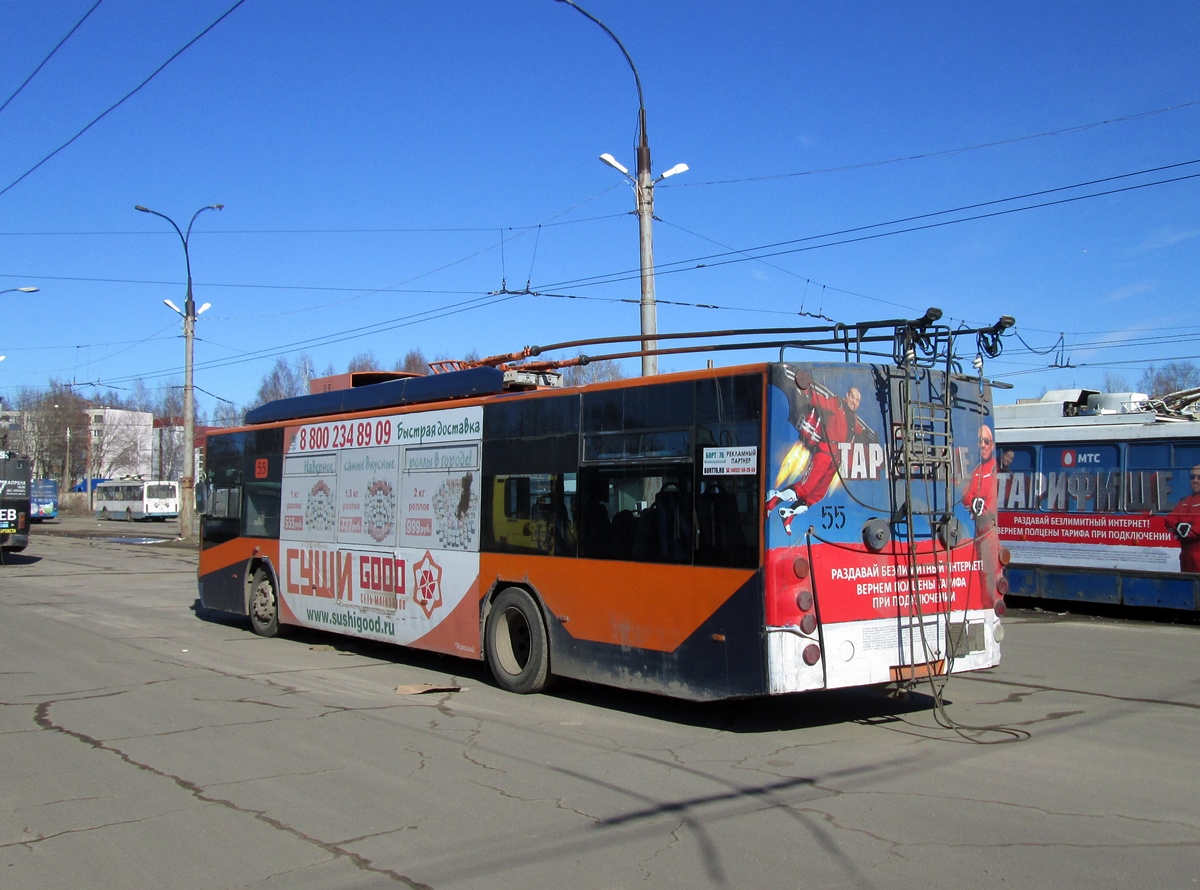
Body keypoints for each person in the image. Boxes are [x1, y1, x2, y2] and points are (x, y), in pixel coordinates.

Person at [765, 372, 867, 535]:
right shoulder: (836, 404)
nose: (854, 402)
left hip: (836, 460)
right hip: (825, 452)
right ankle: (772, 501)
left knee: (816, 496)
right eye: (853, 397)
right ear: (847, 396)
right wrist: (805, 386)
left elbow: (860, 433)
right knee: (805, 487)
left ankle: (788, 514)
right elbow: (816, 400)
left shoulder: (853, 419)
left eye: (858, 400)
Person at [1165, 464, 1200, 573]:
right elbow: (1169, 519)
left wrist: (1186, 529)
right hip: (1185, 557)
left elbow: (1197, 527)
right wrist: (1178, 525)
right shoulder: (1184, 501)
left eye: (1199, 477)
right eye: (1192, 477)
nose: (1195, 480)